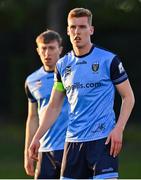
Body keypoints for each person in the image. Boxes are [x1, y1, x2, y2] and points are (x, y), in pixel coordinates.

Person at [29, 8, 135, 179]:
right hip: (72, 143)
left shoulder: (108, 60)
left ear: (91, 30)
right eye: (73, 27)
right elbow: (54, 106)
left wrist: (119, 129)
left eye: (82, 27)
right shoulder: (63, 65)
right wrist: (37, 137)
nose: (77, 32)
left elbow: (128, 97)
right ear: (68, 31)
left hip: (103, 140)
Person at [24, 30, 68, 179]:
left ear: (60, 50)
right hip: (45, 149)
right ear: (38, 50)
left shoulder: (71, 74)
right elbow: (33, 117)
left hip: (70, 146)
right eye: (43, 48)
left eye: (51, 48)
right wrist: (27, 152)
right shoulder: (32, 80)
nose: (47, 53)